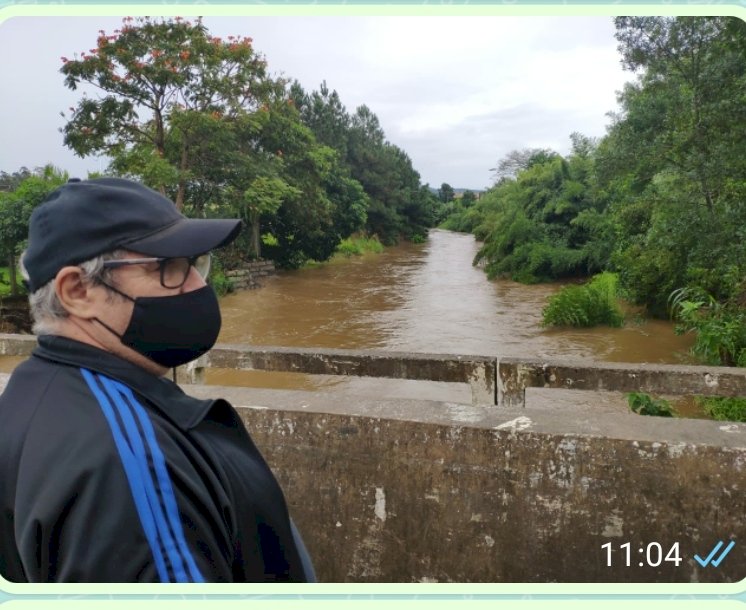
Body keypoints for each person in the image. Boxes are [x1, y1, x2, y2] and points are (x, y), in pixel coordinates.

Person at [0, 177, 314, 583]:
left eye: (195, 263)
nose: (199, 287)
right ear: (78, 291)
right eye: (169, 267)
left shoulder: (31, 394)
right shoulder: (129, 463)